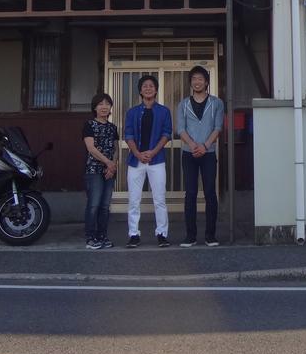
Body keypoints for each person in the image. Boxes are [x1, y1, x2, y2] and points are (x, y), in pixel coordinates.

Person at [176, 65, 224, 247]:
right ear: (190, 82)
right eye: (194, 79)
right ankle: (190, 236)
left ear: (206, 82)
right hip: (189, 154)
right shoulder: (183, 104)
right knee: (190, 194)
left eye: (200, 79)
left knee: (211, 193)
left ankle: (211, 235)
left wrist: (204, 146)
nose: (197, 82)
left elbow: (217, 127)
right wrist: (193, 145)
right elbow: (180, 129)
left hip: (209, 153)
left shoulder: (217, 103)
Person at [123, 74, 173, 248]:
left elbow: (167, 134)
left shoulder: (164, 111)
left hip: (156, 160)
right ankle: (133, 234)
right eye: (145, 86)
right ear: (140, 90)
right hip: (135, 161)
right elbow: (128, 134)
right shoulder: (132, 112)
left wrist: (152, 152)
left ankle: (162, 233)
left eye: (151, 85)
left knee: (159, 199)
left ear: (156, 89)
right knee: (134, 199)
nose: (148, 88)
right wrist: (137, 153)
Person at [82, 93, 118, 250]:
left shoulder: (113, 127)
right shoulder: (89, 125)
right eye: (100, 104)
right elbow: (91, 148)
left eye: (107, 104)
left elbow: (116, 148)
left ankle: (102, 236)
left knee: (105, 206)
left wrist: (113, 165)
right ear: (94, 108)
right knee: (94, 205)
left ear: (110, 107)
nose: (104, 107)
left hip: (109, 171)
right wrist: (108, 162)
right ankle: (91, 238)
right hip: (94, 170)